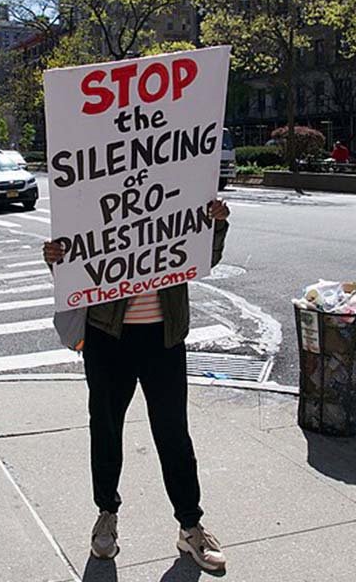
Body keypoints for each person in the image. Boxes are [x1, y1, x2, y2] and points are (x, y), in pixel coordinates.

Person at [42, 199, 231, 573]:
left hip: (164, 337)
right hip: (107, 337)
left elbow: (204, 257)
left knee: (173, 432)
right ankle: (106, 515)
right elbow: (76, 266)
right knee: (106, 429)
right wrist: (56, 257)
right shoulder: (95, 196)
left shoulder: (178, 195)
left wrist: (217, 223)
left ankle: (190, 525)